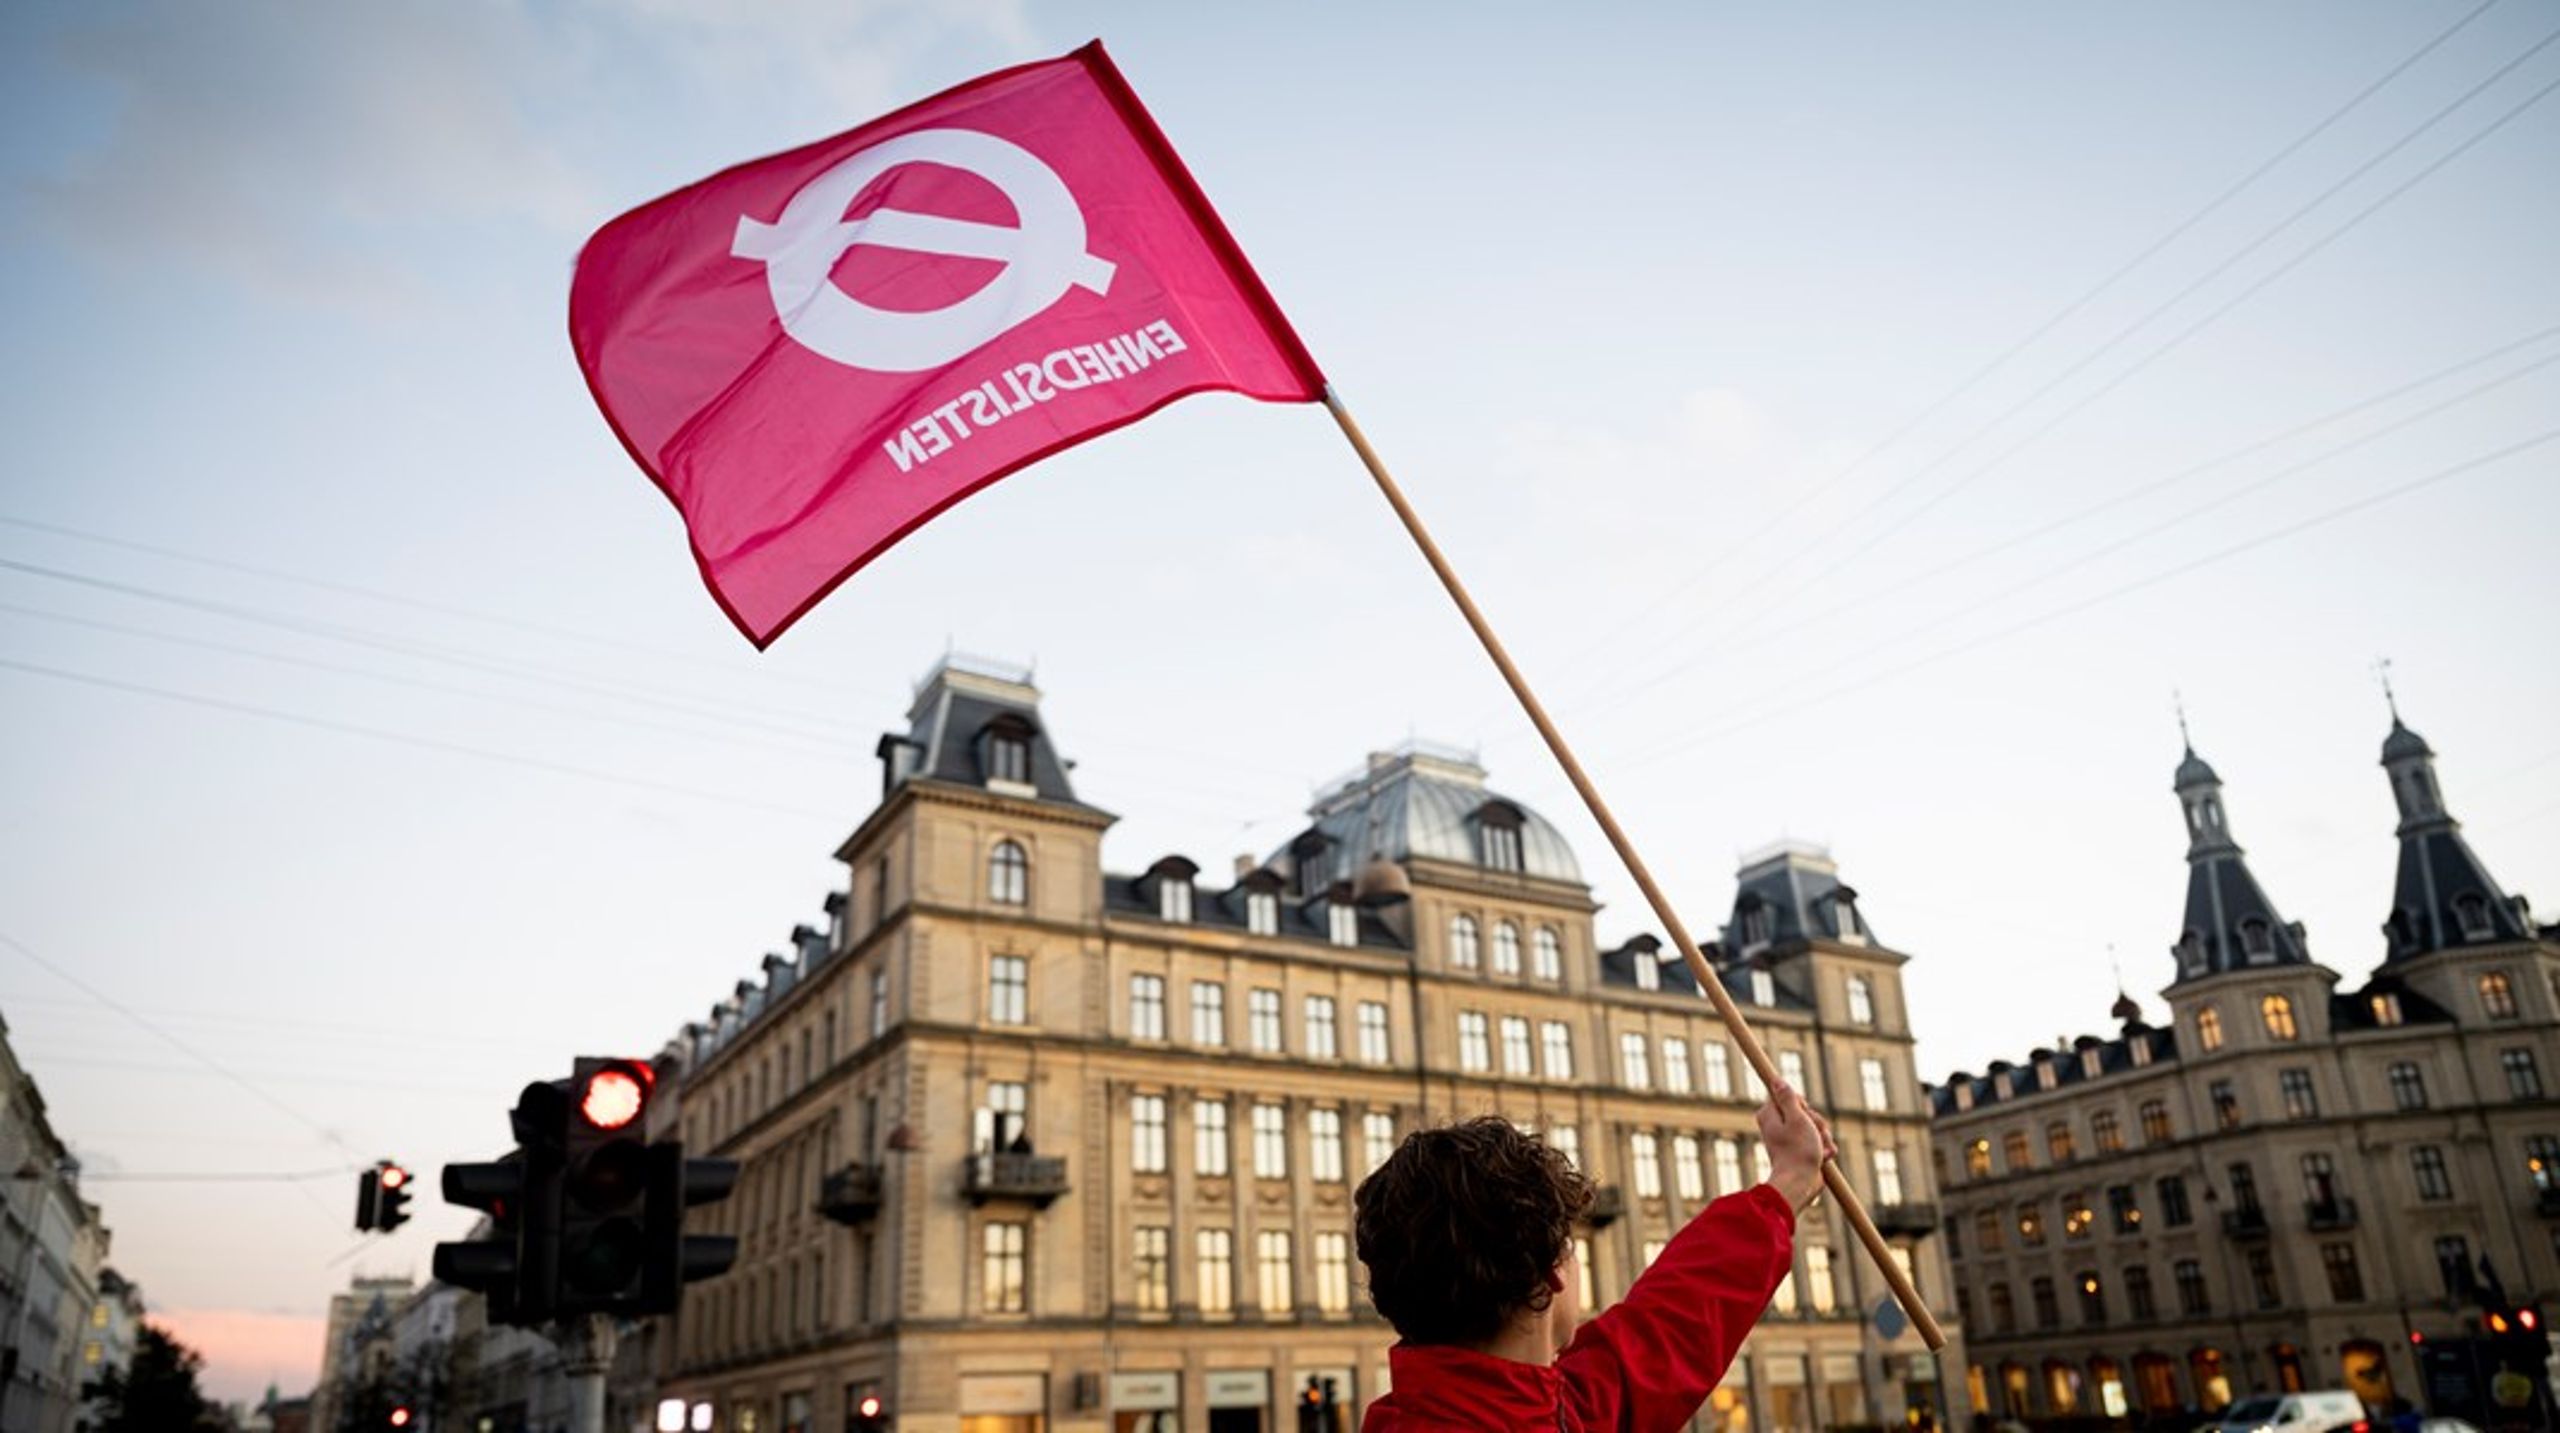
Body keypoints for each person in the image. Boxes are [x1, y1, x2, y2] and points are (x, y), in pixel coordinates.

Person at [1355, 1083, 1836, 1430]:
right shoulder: (1561, 1413)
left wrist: (1787, 1186)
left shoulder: (1556, 1408)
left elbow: (1667, 1327)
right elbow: (1667, 1334)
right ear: (1552, 1273)